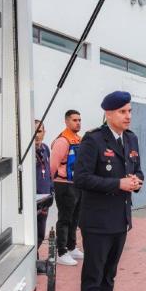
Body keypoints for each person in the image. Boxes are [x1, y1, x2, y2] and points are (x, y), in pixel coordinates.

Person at [75, 91, 143, 291]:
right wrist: (118, 184)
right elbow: (80, 178)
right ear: (109, 114)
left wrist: (136, 181)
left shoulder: (131, 138)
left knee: (109, 275)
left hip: (120, 220)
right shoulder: (93, 140)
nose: (128, 116)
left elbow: (137, 170)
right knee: (93, 277)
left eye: (129, 111)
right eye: (122, 112)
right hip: (97, 222)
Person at [50, 110, 84, 266]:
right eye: (74, 120)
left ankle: (71, 247)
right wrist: (51, 184)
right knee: (65, 218)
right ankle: (61, 251)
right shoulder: (62, 141)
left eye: (79, 120)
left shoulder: (78, 139)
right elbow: (52, 166)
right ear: (66, 122)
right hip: (63, 185)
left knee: (75, 218)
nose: (78, 123)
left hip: (76, 184)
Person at [34, 120, 53, 251]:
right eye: (33, 131)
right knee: (32, 233)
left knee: (41, 233)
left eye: (39, 131)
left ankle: (36, 257)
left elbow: (48, 171)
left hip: (45, 199)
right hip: (33, 200)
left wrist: (51, 190)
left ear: (44, 133)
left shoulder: (45, 148)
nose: (36, 135)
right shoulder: (27, 152)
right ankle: (33, 260)